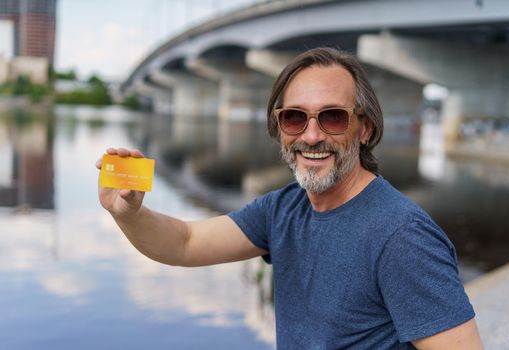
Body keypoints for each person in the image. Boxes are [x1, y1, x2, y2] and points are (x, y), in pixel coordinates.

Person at [97, 47, 484, 349]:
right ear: (279, 127)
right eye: (294, 118)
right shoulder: (284, 209)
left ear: (364, 128)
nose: (311, 136)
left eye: (332, 117)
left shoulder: (402, 237)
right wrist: (129, 212)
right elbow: (184, 244)